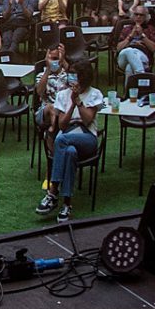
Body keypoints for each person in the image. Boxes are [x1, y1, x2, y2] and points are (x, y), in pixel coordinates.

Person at [36, 61, 103, 220]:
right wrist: (72, 104)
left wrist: (79, 101)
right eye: (71, 75)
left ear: (84, 78)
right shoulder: (63, 95)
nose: (71, 79)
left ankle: (53, 191)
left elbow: (87, 121)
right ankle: (66, 204)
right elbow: (62, 124)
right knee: (70, 152)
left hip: (87, 138)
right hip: (68, 134)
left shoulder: (95, 94)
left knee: (61, 140)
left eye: (75, 75)